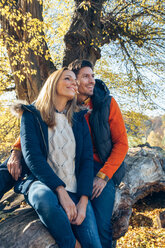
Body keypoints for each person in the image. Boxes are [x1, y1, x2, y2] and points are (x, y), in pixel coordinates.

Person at [0, 60, 128, 247]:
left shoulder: (103, 104)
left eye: (92, 76)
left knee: (101, 225)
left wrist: (103, 176)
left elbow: (122, 144)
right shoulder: (55, 102)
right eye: (85, 77)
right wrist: (17, 150)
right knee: (10, 166)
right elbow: (33, 130)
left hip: (100, 165)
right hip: (57, 165)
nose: (92, 80)